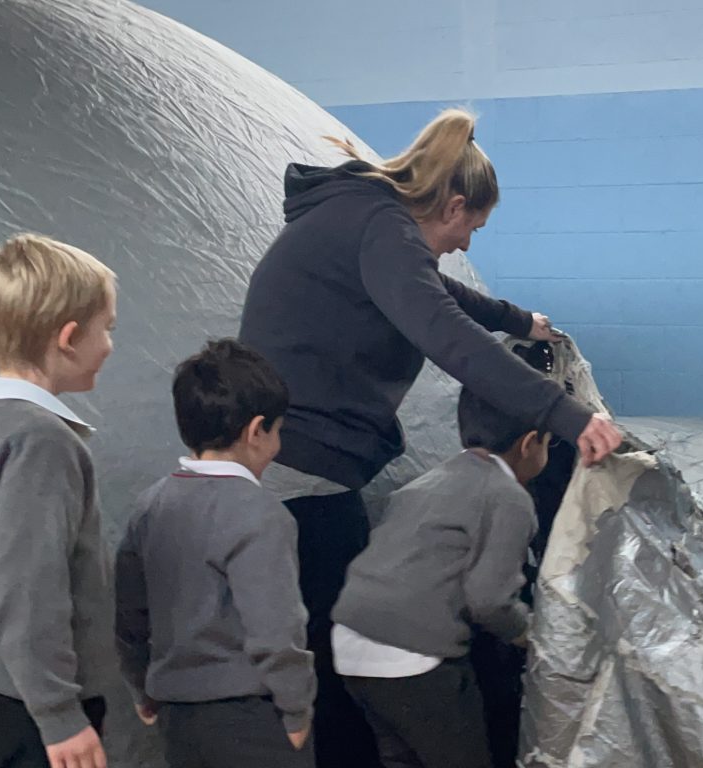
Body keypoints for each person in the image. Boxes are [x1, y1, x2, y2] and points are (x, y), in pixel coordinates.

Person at [238, 106, 622, 767]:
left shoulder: (361, 213)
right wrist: (569, 418)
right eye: (473, 224)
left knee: (335, 650)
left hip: (303, 454)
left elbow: (436, 293)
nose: (468, 243)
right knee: (325, 666)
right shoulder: (379, 223)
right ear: (450, 203)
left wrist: (518, 320)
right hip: (303, 463)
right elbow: (444, 332)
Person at [114, 339, 316, 768]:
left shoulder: (150, 504)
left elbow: (129, 615)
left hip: (177, 720)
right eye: (278, 431)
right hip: (252, 721)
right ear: (256, 430)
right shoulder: (261, 512)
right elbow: (277, 629)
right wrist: (298, 708)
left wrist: (141, 687)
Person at [331, 386, 547, 768]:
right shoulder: (509, 497)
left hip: (349, 646)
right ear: (530, 443)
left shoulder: (427, 481)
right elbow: (489, 601)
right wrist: (531, 635)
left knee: (401, 758)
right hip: (412, 661)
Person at [0, 234, 117, 768]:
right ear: (70, 337)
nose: (110, 345)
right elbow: (26, 584)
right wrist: (59, 715)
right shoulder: (43, 441)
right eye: (108, 329)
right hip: (26, 708)